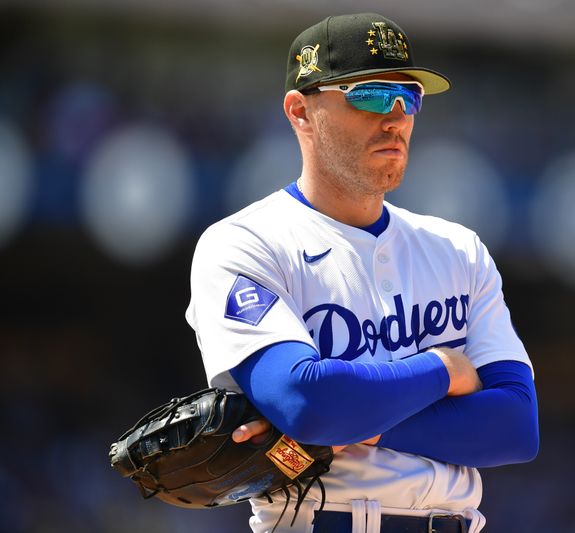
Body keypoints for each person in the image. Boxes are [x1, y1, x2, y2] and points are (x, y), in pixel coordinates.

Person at [185, 12, 539, 533]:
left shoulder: (458, 250)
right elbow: (308, 402)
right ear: (301, 111)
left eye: (409, 98)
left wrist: (365, 420)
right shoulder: (244, 245)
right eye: (371, 95)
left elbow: (514, 427)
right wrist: (444, 369)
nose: (395, 117)